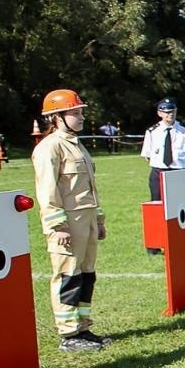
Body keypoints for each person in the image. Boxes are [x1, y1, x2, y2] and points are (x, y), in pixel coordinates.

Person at [32, 88, 111, 352]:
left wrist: (98, 220)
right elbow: (47, 190)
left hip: (86, 220)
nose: (81, 118)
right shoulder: (49, 148)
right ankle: (68, 334)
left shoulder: (77, 145)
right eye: (74, 113)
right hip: (67, 224)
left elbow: (90, 187)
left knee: (86, 275)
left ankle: (83, 327)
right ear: (56, 117)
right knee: (68, 276)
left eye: (80, 112)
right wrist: (57, 225)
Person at [140, 97, 185, 255]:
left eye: (172, 111)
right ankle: (155, 244)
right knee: (156, 208)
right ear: (159, 113)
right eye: (166, 112)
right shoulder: (152, 132)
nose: (170, 115)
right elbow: (147, 155)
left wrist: (182, 169)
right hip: (159, 172)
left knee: (184, 209)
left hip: (180, 173)